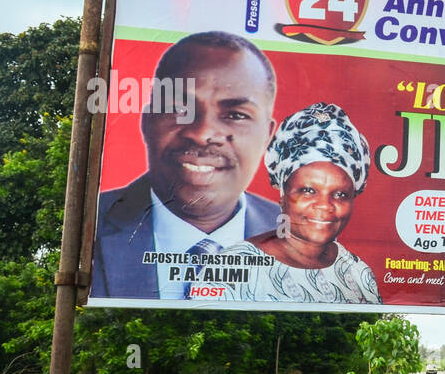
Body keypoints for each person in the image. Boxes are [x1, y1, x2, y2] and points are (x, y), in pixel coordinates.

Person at [90, 31, 280, 299]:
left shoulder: (303, 238)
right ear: (147, 121)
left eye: (236, 115)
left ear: (267, 136)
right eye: (181, 109)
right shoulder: (89, 224)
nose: (202, 133)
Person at [221, 102, 381, 304]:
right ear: (283, 194)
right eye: (308, 191)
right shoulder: (233, 267)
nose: (324, 205)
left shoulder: (358, 273)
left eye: (340, 194)